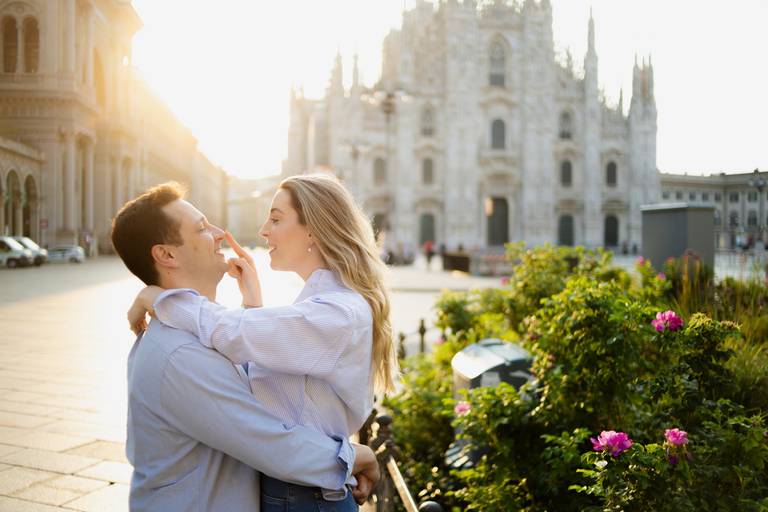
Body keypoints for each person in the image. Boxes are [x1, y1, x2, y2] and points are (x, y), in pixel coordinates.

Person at [127, 174, 398, 512]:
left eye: (276, 218)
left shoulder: (335, 312)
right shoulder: (179, 352)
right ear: (166, 254)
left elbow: (229, 338)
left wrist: (157, 297)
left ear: (313, 229)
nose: (261, 230)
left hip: (305, 495)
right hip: (302, 490)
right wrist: (358, 455)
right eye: (202, 228)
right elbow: (263, 421)